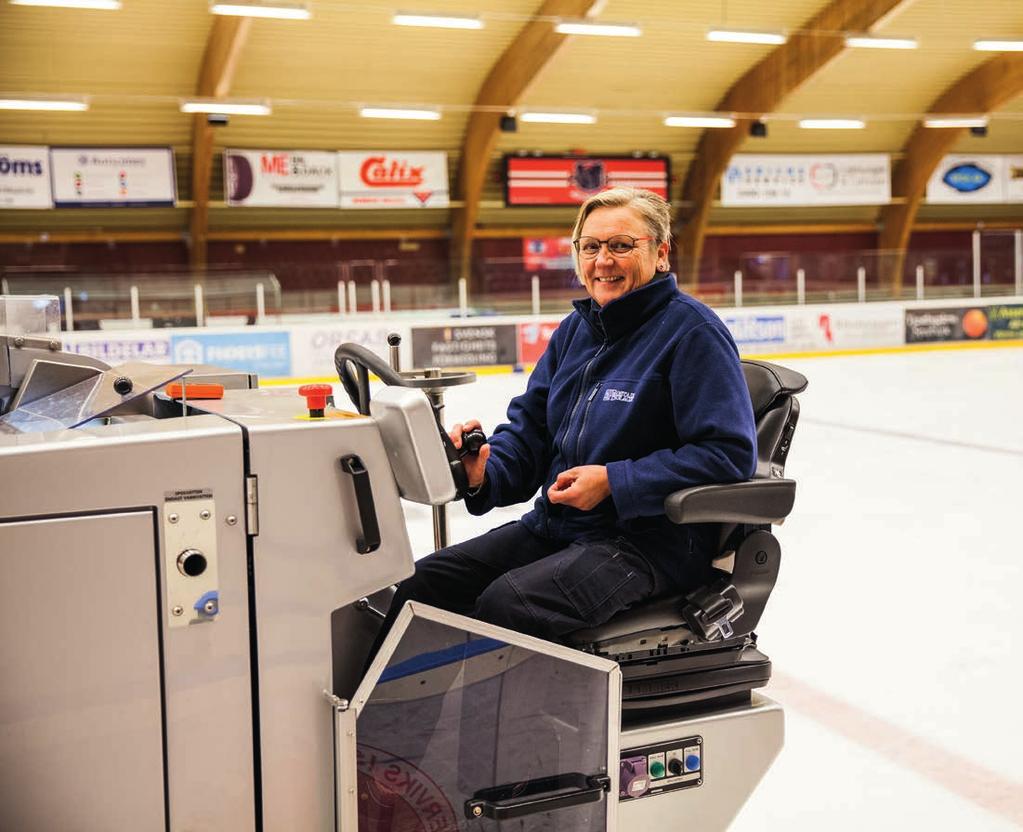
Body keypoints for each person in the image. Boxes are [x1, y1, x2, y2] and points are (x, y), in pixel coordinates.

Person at [371, 186, 756, 653]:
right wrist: (484, 471)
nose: (603, 261)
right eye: (590, 247)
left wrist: (615, 481)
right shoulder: (577, 331)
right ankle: (399, 717)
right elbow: (530, 430)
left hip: (649, 543)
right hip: (559, 527)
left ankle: (495, 724)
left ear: (660, 253)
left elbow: (728, 454)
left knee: (507, 607)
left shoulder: (693, 333)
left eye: (620, 245)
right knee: (425, 585)